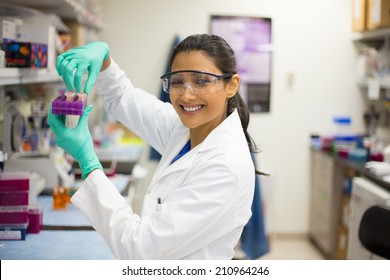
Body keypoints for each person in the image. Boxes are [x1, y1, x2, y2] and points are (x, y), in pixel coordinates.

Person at [48, 34, 259, 260]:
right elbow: (123, 97)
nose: (187, 95)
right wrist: (105, 61)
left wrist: (88, 160)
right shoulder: (184, 128)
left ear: (231, 85)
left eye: (202, 81)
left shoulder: (225, 168)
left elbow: (139, 250)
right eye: (177, 81)